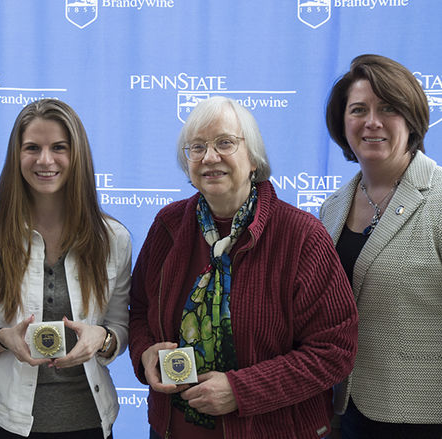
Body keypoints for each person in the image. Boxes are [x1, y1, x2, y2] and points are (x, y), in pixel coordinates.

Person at [128, 96, 359, 439]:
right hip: (172, 430)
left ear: (253, 158)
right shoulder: (169, 225)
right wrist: (145, 352)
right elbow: (140, 311)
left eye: (225, 143)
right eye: (197, 147)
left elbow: (334, 350)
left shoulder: (301, 236)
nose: (209, 157)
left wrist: (241, 390)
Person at [0, 99, 131, 439]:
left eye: (59, 148)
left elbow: (119, 329)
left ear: (76, 155)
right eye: (32, 148)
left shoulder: (114, 239)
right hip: (4, 422)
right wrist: (2, 339)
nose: (45, 160)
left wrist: (103, 338)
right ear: (16, 156)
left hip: (89, 423)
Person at [320, 54, 442, 439]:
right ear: (343, 124)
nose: (372, 121)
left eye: (388, 108)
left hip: (425, 417)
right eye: (359, 110)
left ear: (411, 119)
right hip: (348, 413)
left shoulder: (438, 200)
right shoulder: (332, 207)